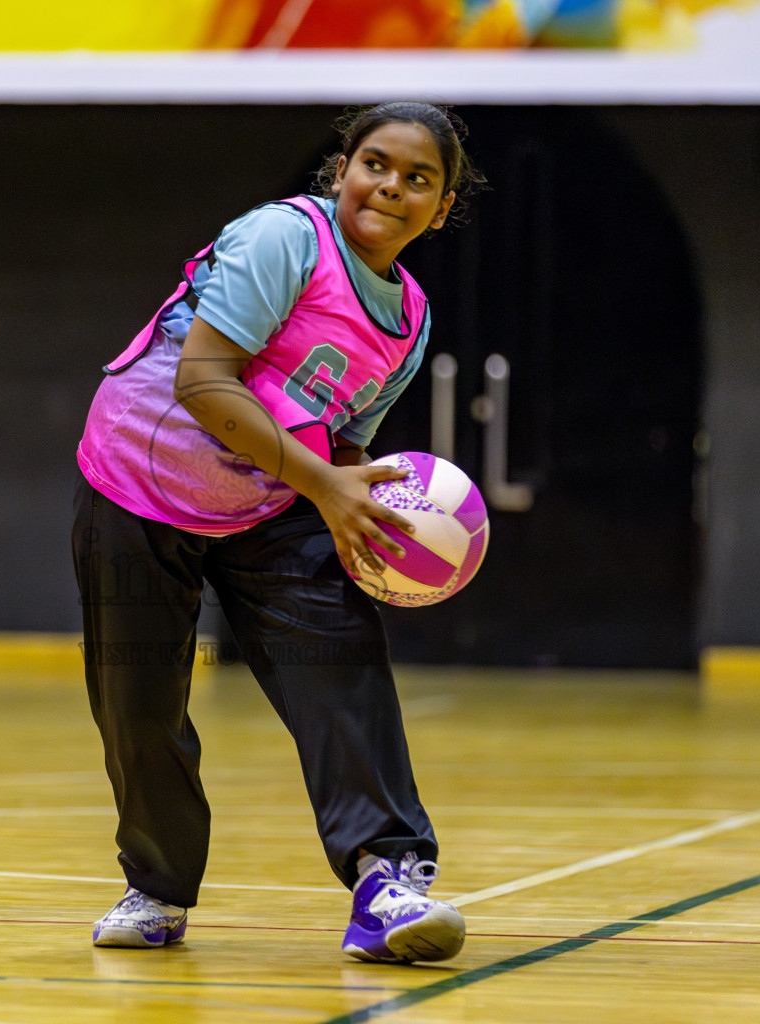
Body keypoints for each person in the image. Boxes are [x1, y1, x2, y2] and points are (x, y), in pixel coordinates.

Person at [73, 101, 479, 963]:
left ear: (441, 208)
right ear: (343, 169)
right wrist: (325, 483)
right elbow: (205, 380)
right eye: (376, 164)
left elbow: (347, 441)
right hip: (138, 480)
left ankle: (387, 882)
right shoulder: (285, 239)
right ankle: (157, 888)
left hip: (268, 497)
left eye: (419, 180)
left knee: (342, 664)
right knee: (138, 705)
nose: (391, 187)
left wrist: (368, 522)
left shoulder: (408, 322)